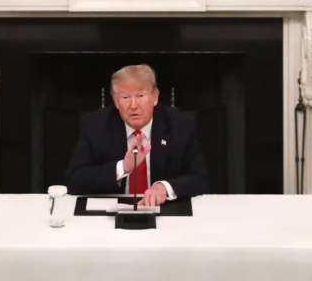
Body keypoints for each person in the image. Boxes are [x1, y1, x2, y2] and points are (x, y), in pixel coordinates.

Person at [66, 64, 208, 206]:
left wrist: (164, 187)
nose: (133, 105)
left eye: (140, 95)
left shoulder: (180, 125)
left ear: (155, 97)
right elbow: (74, 180)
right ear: (116, 101)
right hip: (112, 212)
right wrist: (122, 168)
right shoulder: (95, 126)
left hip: (165, 211)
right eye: (125, 97)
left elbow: (200, 178)